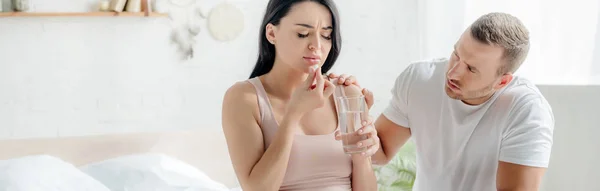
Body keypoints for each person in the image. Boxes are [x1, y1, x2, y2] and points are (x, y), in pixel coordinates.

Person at [331, 12, 555, 191]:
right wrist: (364, 131)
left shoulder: (527, 111)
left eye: (471, 69)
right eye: (457, 54)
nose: (454, 73)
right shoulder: (419, 79)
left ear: (502, 81)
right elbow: (380, 154)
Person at [221, 0, 379, 190]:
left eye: (326, 35)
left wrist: (363, 155)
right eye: (303, 34)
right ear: (271, 33)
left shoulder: (346, 93)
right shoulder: (244, 98)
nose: (317, 46)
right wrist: (293, 114)